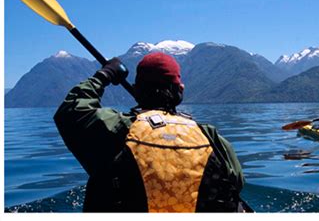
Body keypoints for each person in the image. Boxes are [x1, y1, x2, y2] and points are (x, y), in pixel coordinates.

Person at [54, 52, 250, 212]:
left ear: (137, 91)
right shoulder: (210, 137)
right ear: (180, 91)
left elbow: (71, 110)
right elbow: (237, 183)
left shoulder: (116, 129)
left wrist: (105, 74)